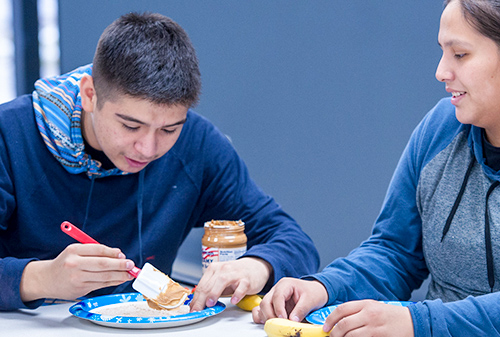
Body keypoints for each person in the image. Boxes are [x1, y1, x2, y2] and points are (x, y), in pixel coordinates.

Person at [254, 0, 500, 336]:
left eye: (460, 54)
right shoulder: (442, 125)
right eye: (443, 51)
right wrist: (325, 287)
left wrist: (419, 323)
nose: (441, 72)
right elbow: (394, 252)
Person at [0, 12, 319, 312]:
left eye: (169, 129)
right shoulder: (10, 135)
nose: (148, 148)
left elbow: (295, 241)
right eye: (130, 125)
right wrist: (39, 278)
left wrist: (257, 265)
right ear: (89, 94)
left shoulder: (197, 144)